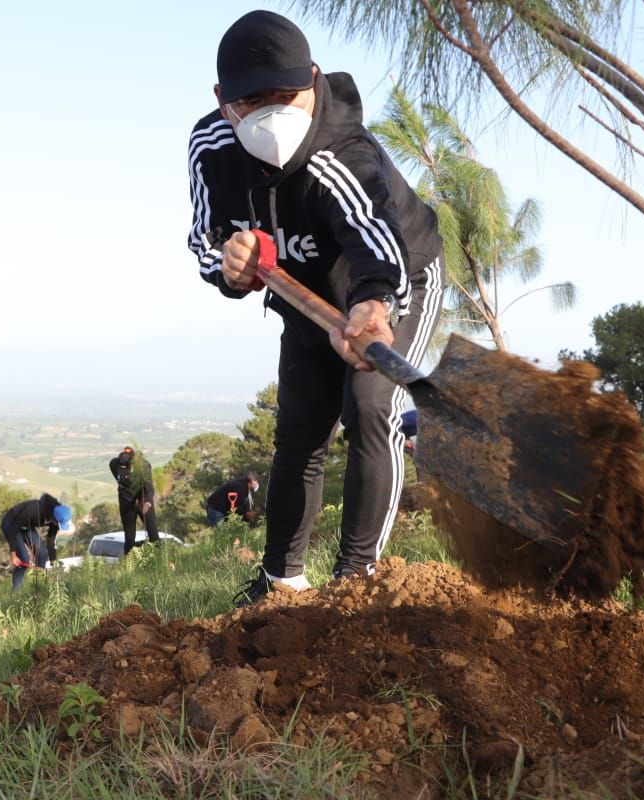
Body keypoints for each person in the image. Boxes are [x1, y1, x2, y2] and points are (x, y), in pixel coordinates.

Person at [187, 10, 444, 605]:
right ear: (224, 100)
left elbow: (377, 241)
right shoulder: (212, 147)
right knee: (299, 430)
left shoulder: (341, 149)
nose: (274, 114)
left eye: (288, 95)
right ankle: (280, 584)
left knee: (370, 406)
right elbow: (204, 240)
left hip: (394, 279)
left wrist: (373, 307)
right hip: (303, 297)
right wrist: (230, 264)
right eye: (254, 101)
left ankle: (356, 583)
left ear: (313, 79)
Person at [0, 493, 74, 591]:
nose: (57, 525)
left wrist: (53, 562)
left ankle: (38, 590)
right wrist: (13, 554)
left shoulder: (55, 519)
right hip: (11, 524)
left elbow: (50, 541)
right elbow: (14, 528)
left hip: (26, 526)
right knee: (24, 560)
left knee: (43, 554)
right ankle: (15, 593)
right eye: (58, 522)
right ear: (53, 518)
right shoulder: (33, 510)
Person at [108, 446, 159, 556]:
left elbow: (149, 488)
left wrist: (148, 502)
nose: (123, 467)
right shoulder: (114, 463)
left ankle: (158, 557)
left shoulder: (143, 466)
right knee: (129, 536)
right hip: (126, 502)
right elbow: (119, 479)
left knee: (153, 533)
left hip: (143, 501)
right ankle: (129, 563)